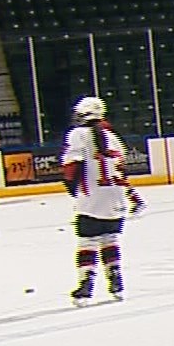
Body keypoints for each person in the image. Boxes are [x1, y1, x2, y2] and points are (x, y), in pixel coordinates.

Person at [59, 95, 143, 303]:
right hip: (116, 200)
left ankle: (85, 284)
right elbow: (121, 172)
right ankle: (115, 279)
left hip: (92, 199)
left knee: (87, 242)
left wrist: (73, 189)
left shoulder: (78, 134)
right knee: (109, 239)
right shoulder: (112, 136)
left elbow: (71, 167)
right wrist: (132, 195)